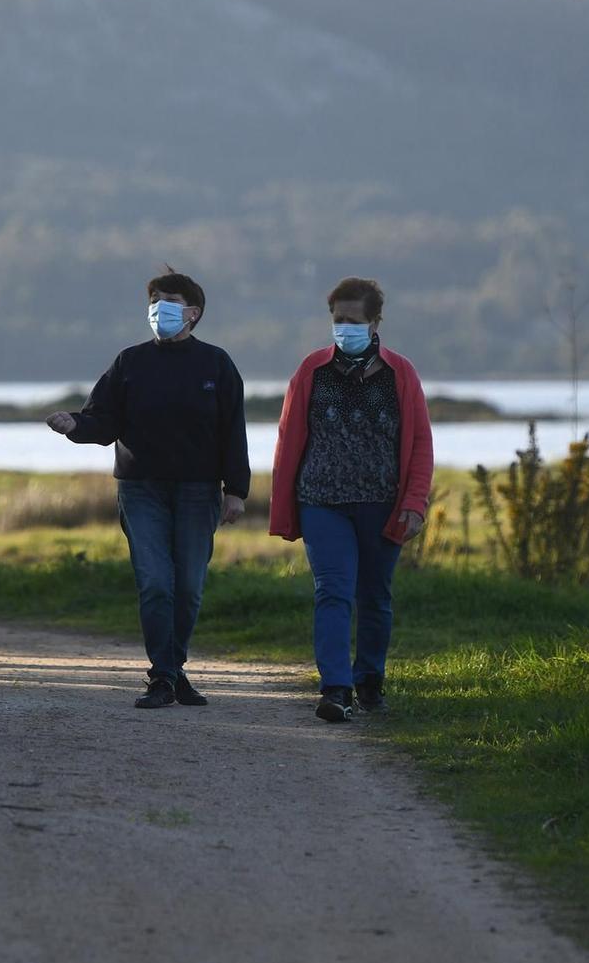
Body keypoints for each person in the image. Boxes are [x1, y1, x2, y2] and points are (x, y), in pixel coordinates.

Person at [47, 268, 250, 708]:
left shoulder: (216, 364)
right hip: (141, 490)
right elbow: (102, 420)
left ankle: (173, 671)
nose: (159, 310)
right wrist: (73, 426)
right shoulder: (130, 362)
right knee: (156, 582)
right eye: (154, 301)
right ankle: (162, 677)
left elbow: (233, 431)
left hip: (198, 491)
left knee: (189, 586)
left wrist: (236, 490)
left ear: (193, 313)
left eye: (170, 302)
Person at [269, 277, 433, 722]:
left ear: (376, 322)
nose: (345, 328)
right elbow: (288, 439)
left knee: (375, 596)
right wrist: (283, 506)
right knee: (333, 592)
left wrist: (414, 503)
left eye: (354, 321)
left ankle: (370, 681)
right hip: (322, 500)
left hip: (382, 503)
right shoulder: (312, 371)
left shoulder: (401, 374)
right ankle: (336, 688)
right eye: (338, 320)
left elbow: (419, 442)